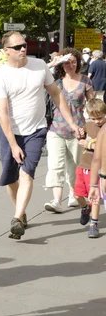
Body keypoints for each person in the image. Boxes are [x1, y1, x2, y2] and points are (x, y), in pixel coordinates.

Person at [0, 31, 83, 240]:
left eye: (24, 45)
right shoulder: (0, 74)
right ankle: (21, 212)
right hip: (10, 132)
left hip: (36, 129)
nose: (23, 49)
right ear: (6, 51)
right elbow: (2, 113)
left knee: (27, 173)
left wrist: (72, 123)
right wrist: (13, 145)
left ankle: (15, 219)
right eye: (17, 47)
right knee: (10, 179)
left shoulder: (39, 66)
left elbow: (56, 94)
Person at [43, 49, 94, 213]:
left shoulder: (86, 81)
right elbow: (38, 76)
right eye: (66, 62)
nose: (70, 65)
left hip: (78, 131)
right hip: (56, 129)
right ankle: (56, 200)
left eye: (73, 61)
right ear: (61, 64)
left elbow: (92, 105)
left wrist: (96, 125)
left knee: (75, 166)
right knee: (55, 165)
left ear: (78, 63)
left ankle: (74, 194)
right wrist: (52, 63)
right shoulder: (55, 83)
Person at [74, 98, 106, 238]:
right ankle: (84, 208)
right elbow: (81, 139)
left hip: (97, 168)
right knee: (77, 195)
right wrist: (80, 135)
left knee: (95, 197)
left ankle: (93, 224)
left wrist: (90, 145)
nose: (97, 121)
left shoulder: (104, 129)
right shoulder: (88, 125)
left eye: (100, 118)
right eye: (94, 118)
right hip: (83, 164)